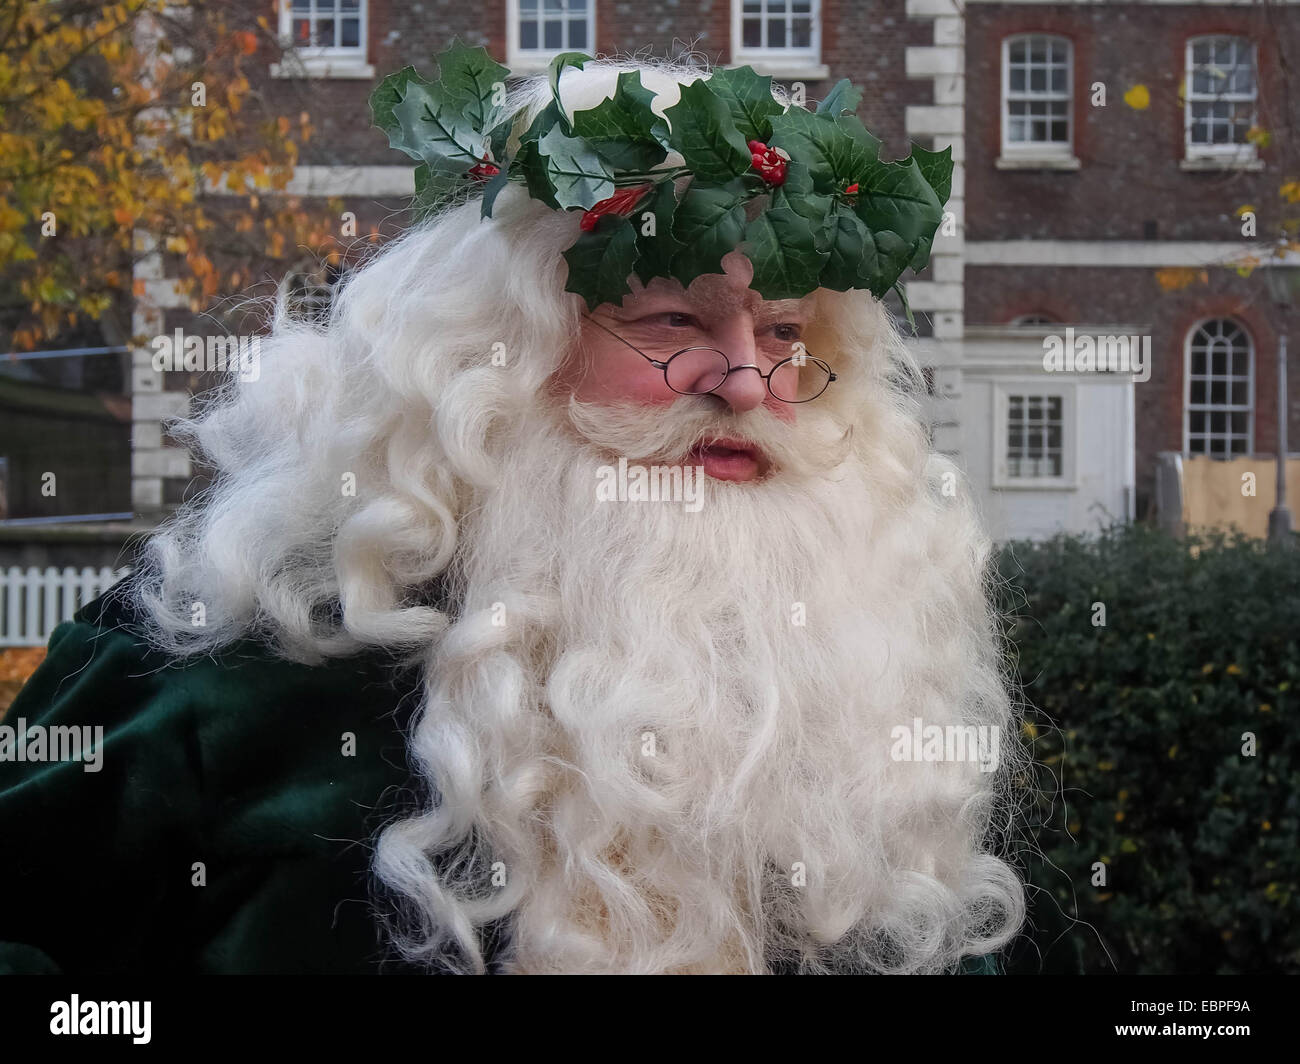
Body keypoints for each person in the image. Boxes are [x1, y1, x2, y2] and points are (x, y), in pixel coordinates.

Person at [0, 53, 1025, 975]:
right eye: (670, 317)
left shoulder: (856, 696)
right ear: (494, 355)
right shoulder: (231, 673)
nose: (748, 383)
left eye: (787, 330)